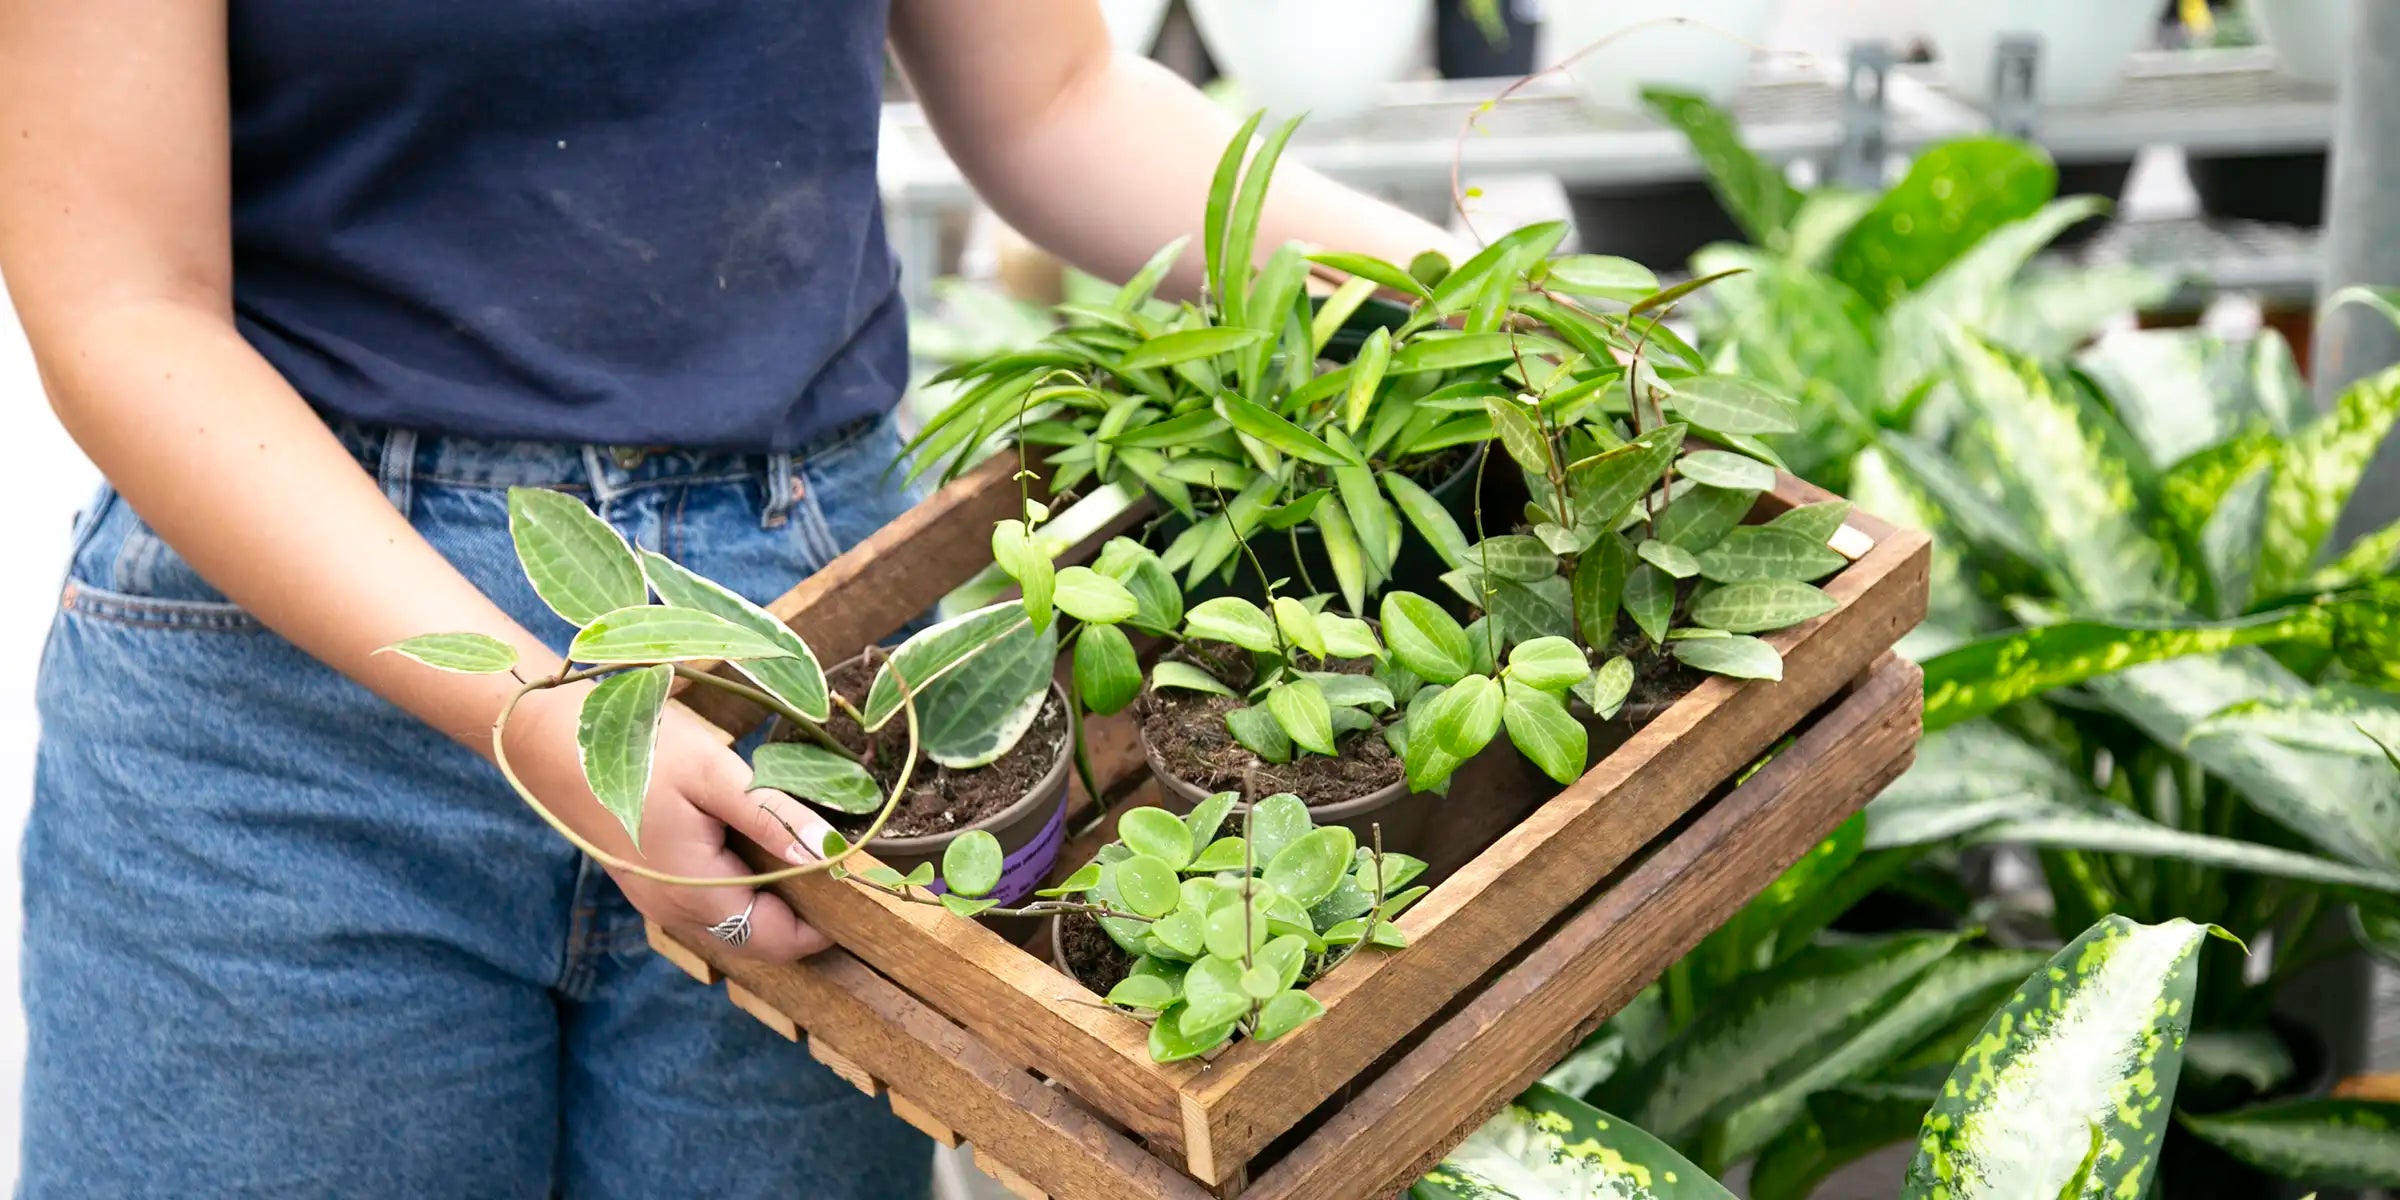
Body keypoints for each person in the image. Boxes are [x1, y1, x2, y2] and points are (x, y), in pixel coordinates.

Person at [0, 2, 1455, 1194]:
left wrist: (1481, 304)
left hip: (803, 637)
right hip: (295, 680)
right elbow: (125, 304)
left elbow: (1056, 96)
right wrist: (555, 721)